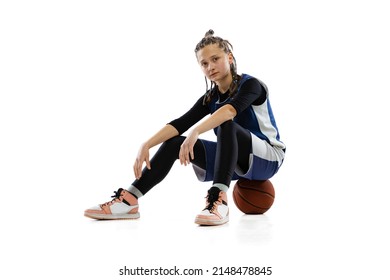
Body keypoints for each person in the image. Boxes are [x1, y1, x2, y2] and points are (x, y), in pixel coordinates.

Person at [84, 30, 286, 226]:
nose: (210, 67)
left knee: (226, 124)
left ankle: (219, 200)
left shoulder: (251, 85)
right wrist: (147, 144)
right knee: (173, 143)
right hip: (236, 160)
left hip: (268, 157)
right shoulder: (211, 97)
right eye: (204, 63)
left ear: (230, 57)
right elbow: (180, 123)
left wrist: (196, 132)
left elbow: (229, 112)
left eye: (215, 59)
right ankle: (129, 200)